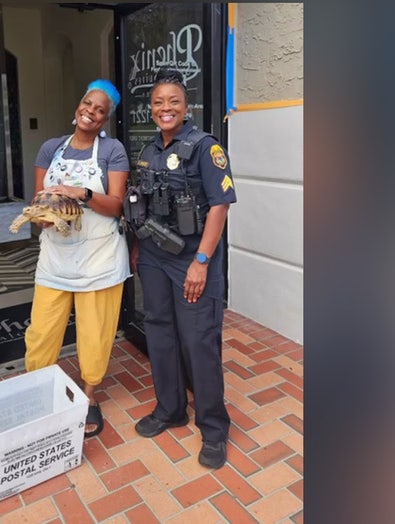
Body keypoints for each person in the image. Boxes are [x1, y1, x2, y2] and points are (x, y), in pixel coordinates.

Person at [128, 69, 237, 469]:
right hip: (155, 255)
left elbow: (220, 207)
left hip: (192, 258)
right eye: (158, 102)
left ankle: (213, 427)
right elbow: (141, 202)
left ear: (185, 106)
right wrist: (138, 246)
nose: (165, 108)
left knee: (199, 339)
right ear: (152, 109)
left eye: (173, 101)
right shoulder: (148, 150)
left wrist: (202, 262)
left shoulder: (206, 147)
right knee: (159, 330)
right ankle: (170, 409)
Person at [24, 79, 130, 438]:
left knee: (94, 334)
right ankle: (38, 391)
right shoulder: (50, 148)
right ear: (77, 106)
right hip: (55, 258)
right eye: (88, 104)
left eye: (100, 110)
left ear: (105, 119)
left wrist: (80, 193)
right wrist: (40, 215)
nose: (91, 112)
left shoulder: (112, 151)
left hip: (99, 259)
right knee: (41, 332)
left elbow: (116, 206)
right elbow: (38, 199)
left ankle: (89, 396)